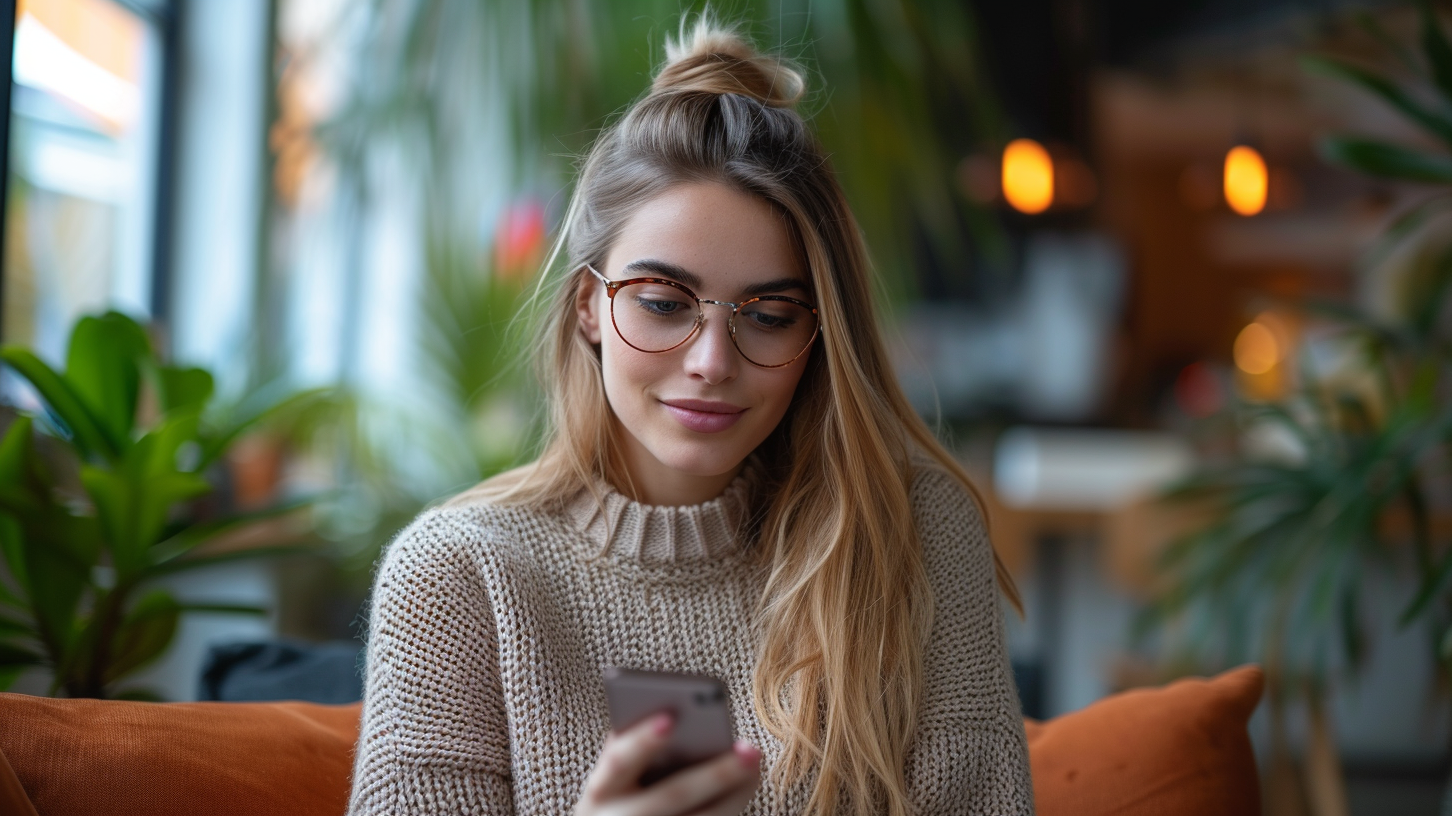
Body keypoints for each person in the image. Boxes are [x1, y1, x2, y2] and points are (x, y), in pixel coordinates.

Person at [346, 14, 1033, 816]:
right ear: (588, 310)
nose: (712, 361)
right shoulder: (457, 579)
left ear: (821, 334)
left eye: (769, 314)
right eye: (665, 303)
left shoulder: (912, 539)